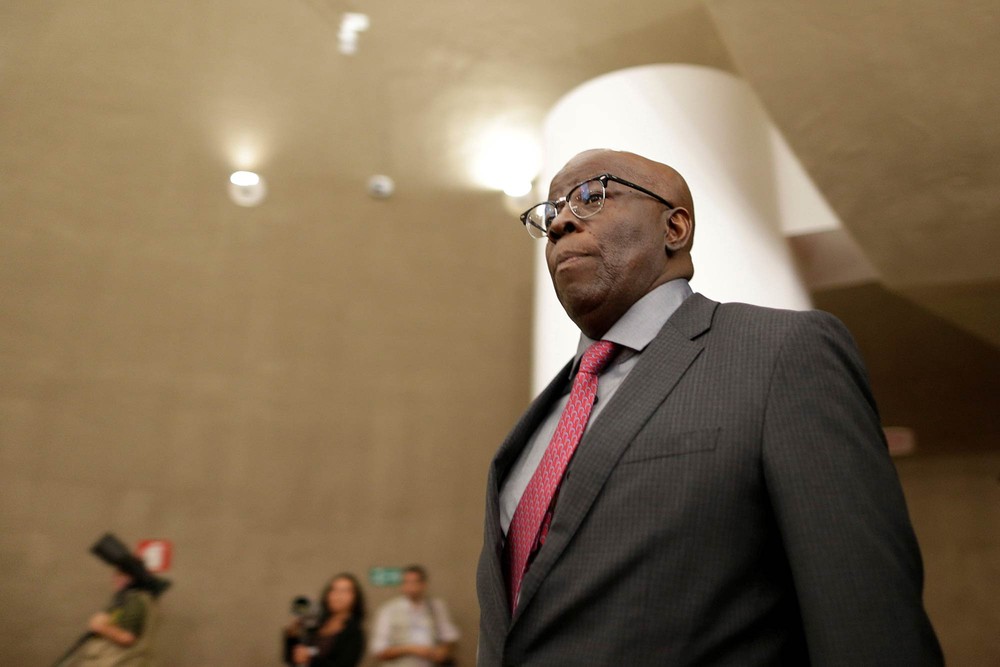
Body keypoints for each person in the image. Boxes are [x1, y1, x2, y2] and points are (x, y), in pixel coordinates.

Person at [475, 148, 944, 665]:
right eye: (551, 212)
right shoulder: (539, 423)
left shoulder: (780, 353)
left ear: (675, 228)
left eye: (591, 196)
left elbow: (866, 615)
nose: (560, 222)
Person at [370, 565, 459, 666]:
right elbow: (379, 650)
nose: (411, 587)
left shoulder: (436, 607)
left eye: (414, 582)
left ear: (423, 584)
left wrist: (442, 651)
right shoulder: (389, 610)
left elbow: (450, 637)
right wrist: (411, 649)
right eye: (406, 582)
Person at [72, 566, 159, 666]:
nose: (116, 579)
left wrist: (101, 627)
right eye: (117, 575)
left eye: (122, 575)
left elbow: (127, 637)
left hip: (120, 662)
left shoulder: (134, 600)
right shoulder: (128, 600)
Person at [284, 573, 366, 667]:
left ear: (355, 597)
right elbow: (292, 659)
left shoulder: (354, 633)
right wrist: (292, 633)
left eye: (344, 591)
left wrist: (310, 659)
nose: (337, 595)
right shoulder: (317, 622)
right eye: (333, 590)